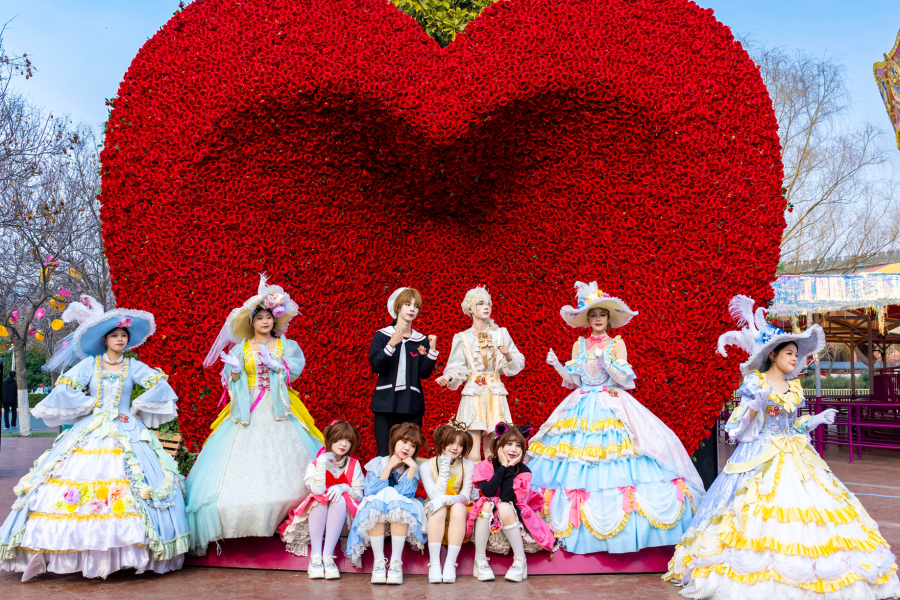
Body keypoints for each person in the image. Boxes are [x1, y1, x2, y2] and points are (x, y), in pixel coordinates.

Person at [665, 295, 900, 599]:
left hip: (797, 455)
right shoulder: (756, 383)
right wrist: (755, 405)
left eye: (796, 354)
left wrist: (815, 419)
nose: (794, 358)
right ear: (773, 355)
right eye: (789, 353)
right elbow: (735, 428)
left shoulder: (794, 387)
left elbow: (792, 424)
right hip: (761, 455)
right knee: (754, 510)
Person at [0, 296, 188, 580]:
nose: (120, 339)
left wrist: (137, 407)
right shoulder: (90, 365)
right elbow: (64, 387)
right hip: (91, 430)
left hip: (125, 428)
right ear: (105, 339)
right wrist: (89, 406)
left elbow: (160, 384)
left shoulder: (133, 367)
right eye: (115, 335)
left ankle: (129, 553)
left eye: (124, 335)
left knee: (137, 482)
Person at [529, 281, 705, 554]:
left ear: (609, 319)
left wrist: (605, 360)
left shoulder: (617, 343)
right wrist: (556, 366)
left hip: (611, 403)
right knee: (576, 461)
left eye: (602, 315)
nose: (598, 319)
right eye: (593, 315)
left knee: (620, 458)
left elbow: (624, 380)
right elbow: (574, 380)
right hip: (581, 406)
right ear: (588, 319)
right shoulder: (579, 344)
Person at [185, 275, 324, 555]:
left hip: (280, 407)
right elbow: (231, 379)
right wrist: (236, 372)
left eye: (269, 317)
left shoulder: (286, 346)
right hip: (246, 409)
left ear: (275, 320)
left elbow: (294, 370)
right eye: (259, 317)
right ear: (251, 322)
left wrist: (278, 365)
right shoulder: (240, 349)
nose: (265, 321)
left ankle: (288, 515)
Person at [436, 287, 525, 461]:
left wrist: (508, 355)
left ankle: (493, 479)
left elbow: (517, 361)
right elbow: (457, 366)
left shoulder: (501, 333)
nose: (486, 307)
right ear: (470, 309)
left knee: (494, 450)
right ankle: (473, 479)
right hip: (473, 393)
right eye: (481, 303)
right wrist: (448, 377)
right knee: (472, 451)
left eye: (488, 303)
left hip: (495, 392)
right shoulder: (462, 337)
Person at [467, 423, 555, 582]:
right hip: (488, 512)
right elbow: (488, 492)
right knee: (487, 502)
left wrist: (509, 468)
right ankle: (480, 559)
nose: (514, 449)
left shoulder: (524, 471)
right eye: (509, 444)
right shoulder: (485, 465)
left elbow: (507, 497)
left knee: (503, 505)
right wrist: (503, 466)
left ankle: (520, 560)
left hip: (512, 511)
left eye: (518, 445)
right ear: (499, 445)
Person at [279, 420, 364, 580]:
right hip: (319, 513)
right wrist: (322, 462)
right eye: (340, 438)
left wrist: (344, 488)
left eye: (348, 440)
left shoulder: (354, 464)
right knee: (319, 499)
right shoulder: (316, 465)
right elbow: (317, 491)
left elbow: (359, 497)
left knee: (338, 499)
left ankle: (328, 556)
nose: (344, 444)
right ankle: (316, 557)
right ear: (330, 438)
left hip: (345, 516)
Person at [345, 423, 427, 585]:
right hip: (376, 506)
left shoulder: (412, 467)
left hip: (403, 507)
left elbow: (405, 494)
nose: (407, 448)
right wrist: (389, 467)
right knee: (377, 502)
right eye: (404, 441)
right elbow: (371, 492)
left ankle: (396, 563)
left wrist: (412, 468)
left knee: (398, 503)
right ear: (394, 441)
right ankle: (379, 563)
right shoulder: (378, 463)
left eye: (413, 445)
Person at [369, 287, 439, 456]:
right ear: (398, 307)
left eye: (416, 306)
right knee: (384, 453)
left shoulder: (421, 340)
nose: (412, 309)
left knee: (408, 453)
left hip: (411, 404)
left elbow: (424, 373)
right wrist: (391, 345)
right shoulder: (382, 335)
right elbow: (375, 366)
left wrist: (432, 351)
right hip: (386, 402)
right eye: (408, 304)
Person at [421, 421, 475, 584]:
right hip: (436, 508)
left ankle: (451, 563)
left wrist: (445, 499)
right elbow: (434, 496)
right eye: (451, 442)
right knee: (439, 508)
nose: (455, 448)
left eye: (460, 444)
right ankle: (434, 564)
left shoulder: (468, 465)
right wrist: (444, 466)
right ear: (442, 441)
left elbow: (465, 496)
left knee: (457, 507)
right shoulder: (427, 466)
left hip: (459, 506)